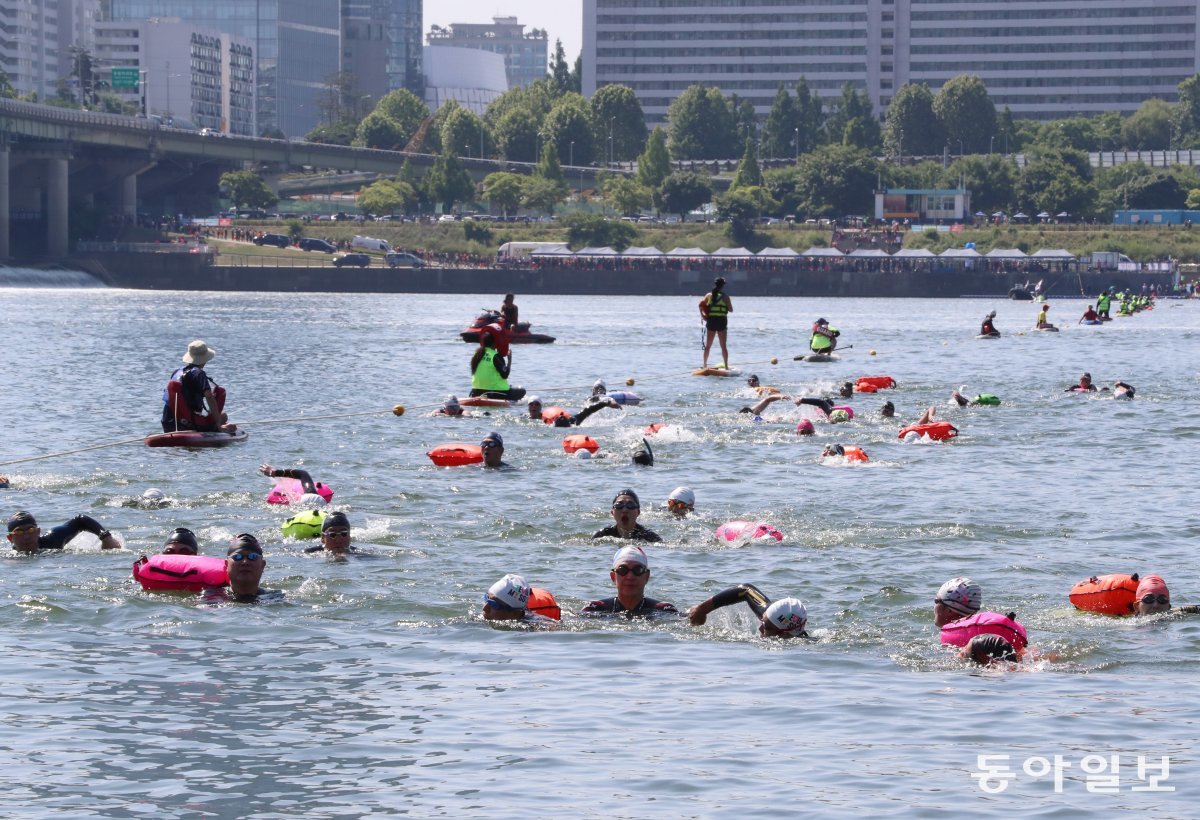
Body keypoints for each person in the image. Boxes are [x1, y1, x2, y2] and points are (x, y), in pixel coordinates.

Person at [580, 545, 678, 618]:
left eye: (637, 570)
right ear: (613, 577)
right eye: (623, 570)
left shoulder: (665, 610)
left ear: (647, 576)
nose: (630, 577)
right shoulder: (595, 608)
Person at [161, 340, 236, 433]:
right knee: (224, 416)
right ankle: (219, 427)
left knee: (222, 416)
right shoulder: (199, 373)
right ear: (204, 359)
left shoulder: (177, 372)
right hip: (188, 424)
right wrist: (218, 425)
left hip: (168, 423)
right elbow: (209, 396)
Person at [688, 583, 810, 638]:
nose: (760, 628)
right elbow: (746, 590)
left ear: (784, 633)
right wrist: (702, 609)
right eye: (762, 621)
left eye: (766, 627)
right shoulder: (772, 617)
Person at [6, 510, 121, 553]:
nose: (27, 536)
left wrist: (106, 537)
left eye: (31, 530)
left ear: (38, 531)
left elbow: (80, 520)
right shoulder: (8, 557)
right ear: (10, 538)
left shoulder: (53, 539)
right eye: (19, 532)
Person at [211, 534, 279, 603]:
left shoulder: (277, 598)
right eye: (237, 557)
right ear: (226, 565)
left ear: (262, 565)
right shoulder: (211, 597)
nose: (245, 562)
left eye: (252, 556)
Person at [469, 330, 526, 401]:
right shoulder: (495, 356)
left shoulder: (476, 354)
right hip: (495, 393)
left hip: (475, 392)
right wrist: (509, 360)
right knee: (522, 391)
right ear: (494, 343)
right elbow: (505, 375)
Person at [481, 573, 560, 624]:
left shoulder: (538, 626)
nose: (485, 608)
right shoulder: (483, 616)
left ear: (516, 613)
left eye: (493, 604)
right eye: (486, 597)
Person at [592, 489, 661, 542]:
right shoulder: (603, 535)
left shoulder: (650, 537)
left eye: (630, 505)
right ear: (612, 512)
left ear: (638, 512)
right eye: (619, 505)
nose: (624, 510)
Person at [699, 277, 732, 369]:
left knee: (708, 346)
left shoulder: (708, 295)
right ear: (723, 286)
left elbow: (701, 305)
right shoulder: (725, 297)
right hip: (721, 321)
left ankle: (704, 365)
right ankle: (726, 367)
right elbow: (731, 310)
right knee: (723, 346)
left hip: (711, 321)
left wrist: (703, 316)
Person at [527, 395, 619, 427]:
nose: (534, 406)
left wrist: (608, 402)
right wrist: (607, 403)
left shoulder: (572, 421)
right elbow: (588, 410)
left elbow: (589, 410)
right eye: (531, 404)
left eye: (536, 404)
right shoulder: (574, 421)